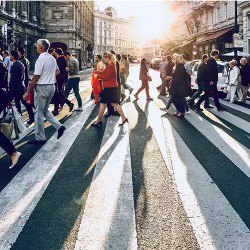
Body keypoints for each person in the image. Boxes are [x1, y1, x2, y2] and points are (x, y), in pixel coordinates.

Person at [23, 39, 66, 144]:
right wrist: (49, 77)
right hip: (51, 87)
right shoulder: (52, 58)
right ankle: (59, 127)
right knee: (45, 110)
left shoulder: (40, 59)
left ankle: (40, 137)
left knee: (38, 113)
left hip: (42, 88)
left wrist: (27, 92)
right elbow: (57, 71)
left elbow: (35, 78)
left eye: (37, 46)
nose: (36, 47)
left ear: (41, 48)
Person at [92, 52, 128, 127]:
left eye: (104, 58)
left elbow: (106, 77)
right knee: (112, 103)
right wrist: (98, 72)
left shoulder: (111, 66)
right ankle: (124, 118)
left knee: (104, 103)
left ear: (107, 58)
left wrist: (97, 75)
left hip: (109, 88)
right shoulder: (111, 65)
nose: (103, 60)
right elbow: (105, 74)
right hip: (111, 88)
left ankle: (98, 121)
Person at [9, 50, 34, 124]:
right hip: (21, 85)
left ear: (13, 56)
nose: (9, 57)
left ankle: (22, 118)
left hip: (16, 87)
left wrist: (10, 88)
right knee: (21, 102)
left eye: (10, 55)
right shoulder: (20, 64)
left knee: (20, 103)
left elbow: (13, 79)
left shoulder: (14, 66)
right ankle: (28, 117)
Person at [53, 48, 74, 115]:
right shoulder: (64, 59)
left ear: (56, 53)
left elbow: (56, 70)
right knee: (59, 93)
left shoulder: (58, 60)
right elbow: (66, 70)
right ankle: (61, 106)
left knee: (58, 93)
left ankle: (68, 103)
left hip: (58, 78)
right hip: (62, 79)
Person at [105, 50, 121, 117]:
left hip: (113, 83)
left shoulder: (113, 63)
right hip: (115, 82)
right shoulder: (114, 63)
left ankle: (114, 112)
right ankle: (112, 111)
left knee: (113, 98)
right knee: (113, 98)